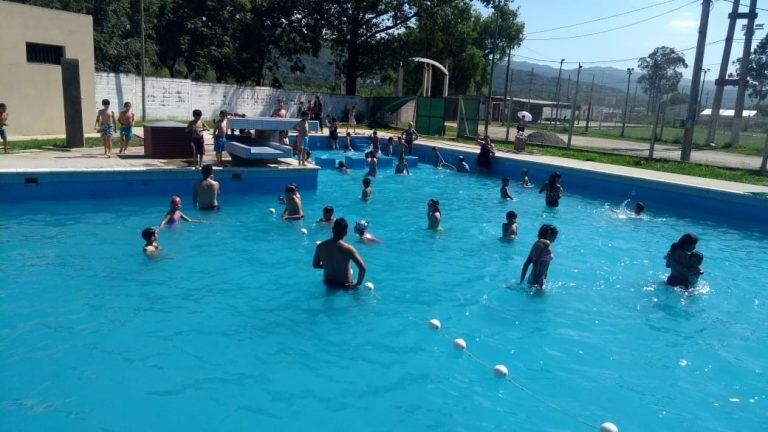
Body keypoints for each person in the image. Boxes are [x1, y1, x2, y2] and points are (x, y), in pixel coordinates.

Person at [313, 218, 367, 288]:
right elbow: (362, 269)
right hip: (345, 285)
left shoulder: (321, 246)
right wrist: (357, 283)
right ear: (346, 232)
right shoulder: (349, 249)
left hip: (328, 283)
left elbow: (315, 265)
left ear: (332, 230)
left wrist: (327, 265)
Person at [520, 224, 559, 289]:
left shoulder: (537, 243)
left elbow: (527, 263)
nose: (554, 240)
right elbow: (536, 262)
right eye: (554, 237)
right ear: (549, 234)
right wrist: (534, 283)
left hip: (535, 279)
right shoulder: (546, 243)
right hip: (537, 281)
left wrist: (521, 281)